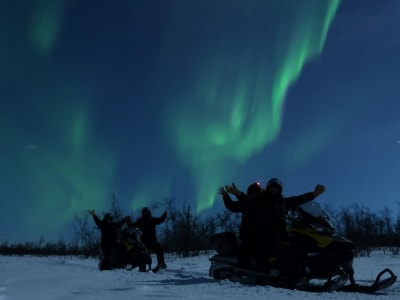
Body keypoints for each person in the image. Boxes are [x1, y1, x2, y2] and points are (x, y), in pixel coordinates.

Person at [254, 178, 326, 274]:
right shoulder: (262, 199)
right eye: (271, 188)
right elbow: (251, 201)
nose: (273, 190)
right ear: (268, 188)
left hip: (281, 230)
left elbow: (298, 199)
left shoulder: (283, 201)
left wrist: (313, 194)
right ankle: (264, 269)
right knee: (269, 241)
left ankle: (298, 268)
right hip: (265, 229)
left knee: (299, 240)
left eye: (276, 188)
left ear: (279, 189)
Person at [218, 182, 261, 269]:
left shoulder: (263, 204)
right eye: (252, 192)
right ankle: (242, 271)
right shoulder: (245, 203)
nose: (254, 194)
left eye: (256, 192)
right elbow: (232, 206)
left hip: (261, 235)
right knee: (244, 256)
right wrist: (226, 196)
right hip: (247, 235)